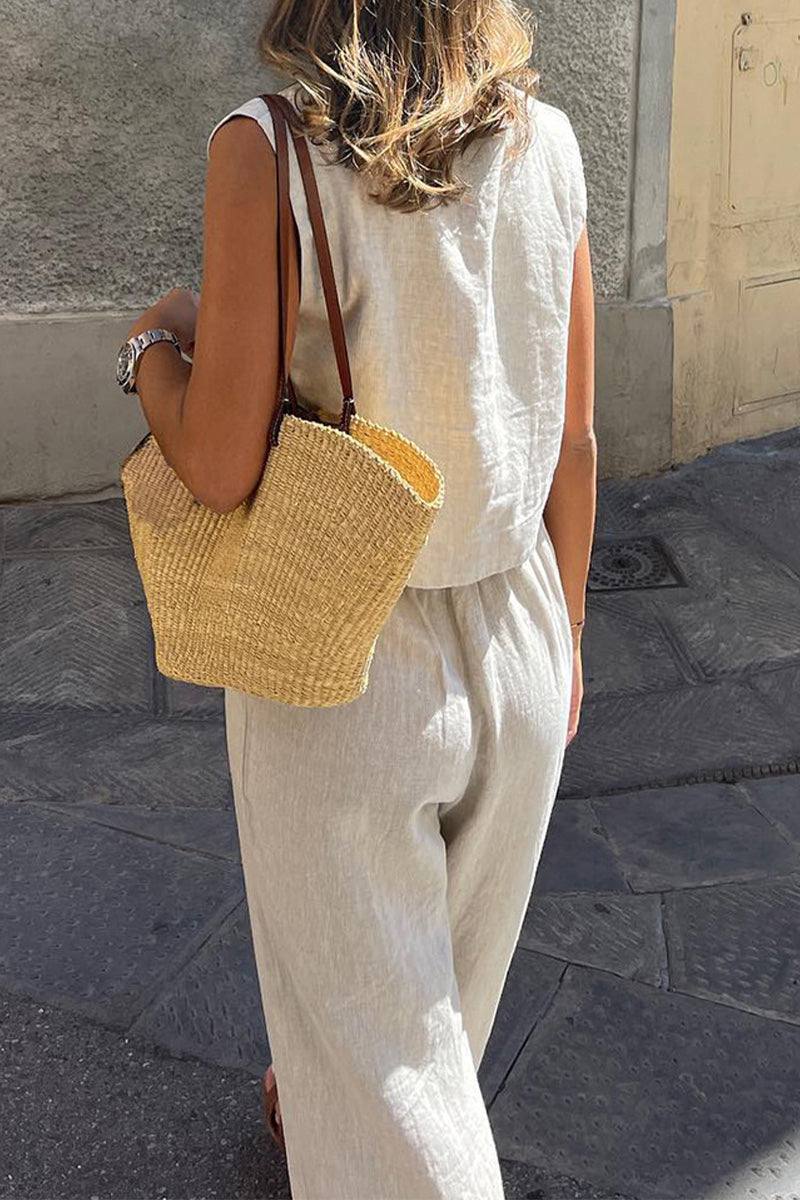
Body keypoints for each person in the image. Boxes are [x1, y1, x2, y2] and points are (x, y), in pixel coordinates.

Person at [120, 1, 596, 1195]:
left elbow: (222, 463)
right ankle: (311, 1105)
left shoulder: (269, 147)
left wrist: (147, 357)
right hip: (522, 626)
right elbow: (576, 441)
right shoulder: (549, 145)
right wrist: (570, 637)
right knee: (430, 1042)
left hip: (345, 655)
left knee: (398, 1098)